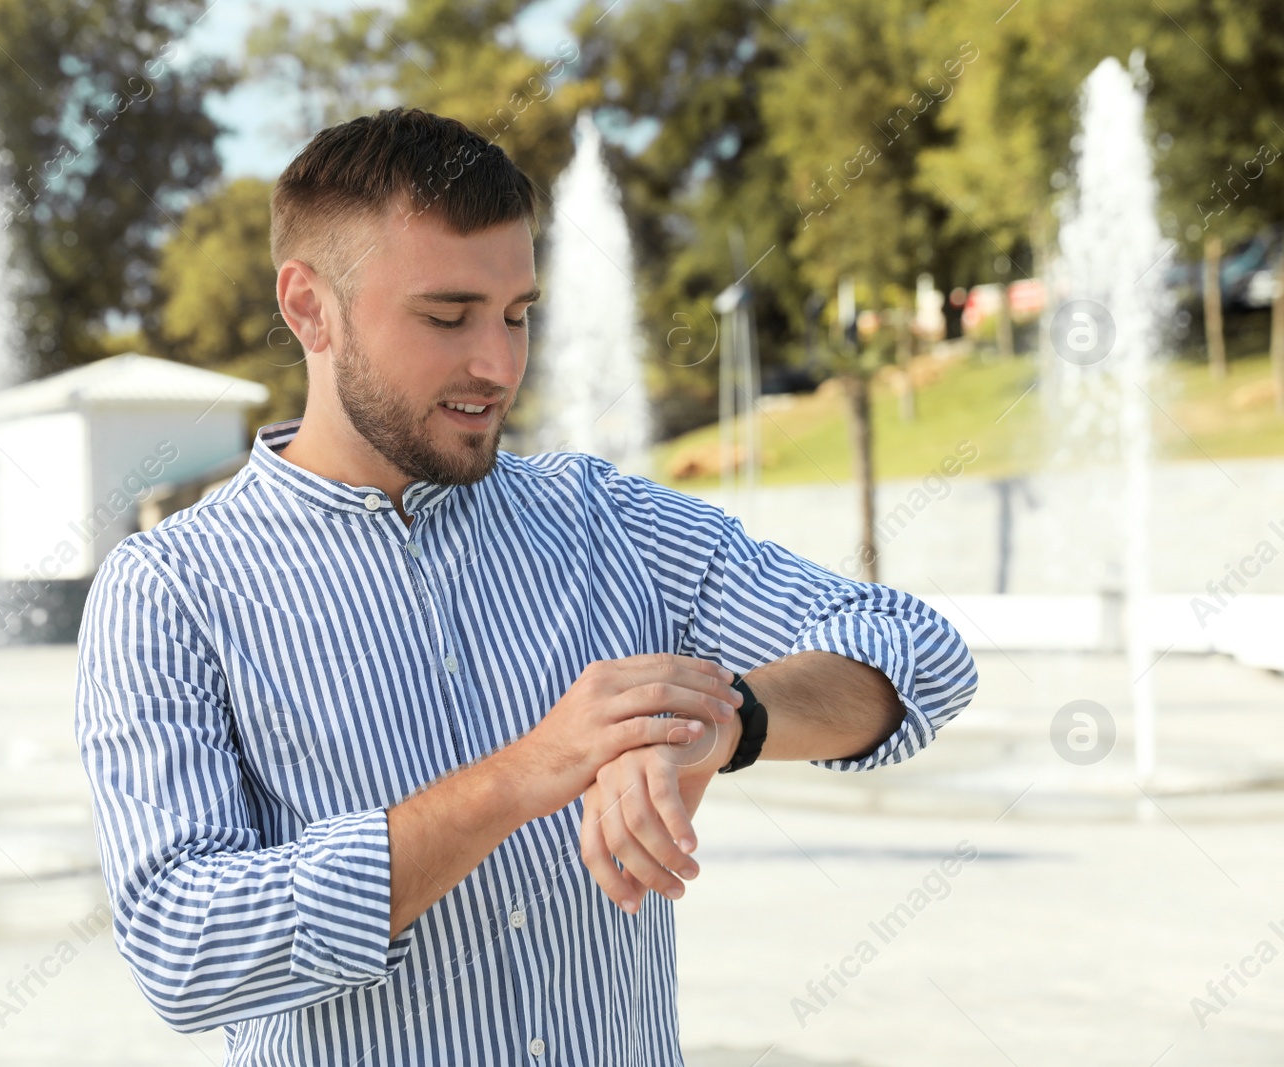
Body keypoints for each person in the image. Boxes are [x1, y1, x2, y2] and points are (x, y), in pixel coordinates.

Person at [74, 106, 979, 1065]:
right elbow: (182, 947)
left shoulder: (604, 517)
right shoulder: (169, 589)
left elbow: (918, 650)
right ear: (309, 308)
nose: (498, 365)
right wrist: (521, 775)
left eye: (517, 315)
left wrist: (728, 720)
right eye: (446, 315)